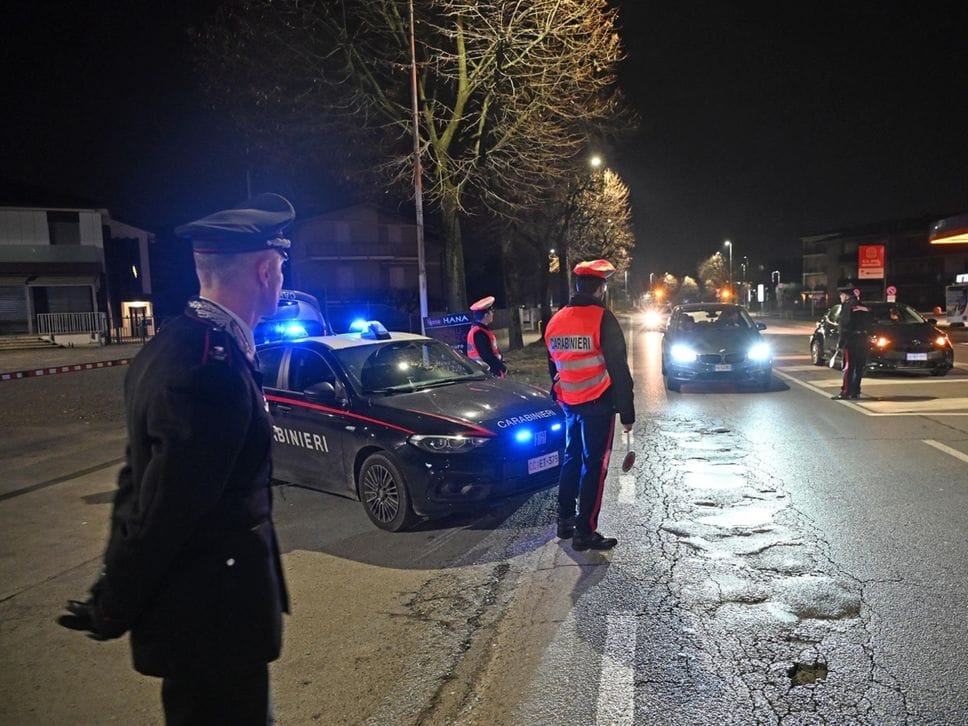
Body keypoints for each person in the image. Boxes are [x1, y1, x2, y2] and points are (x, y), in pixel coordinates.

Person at [57, 193, 292, 724]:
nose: (281, 280)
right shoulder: (210, 368)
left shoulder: (175, 343)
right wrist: (114, 602)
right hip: (214, 622)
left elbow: (135, 480)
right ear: (264, 271)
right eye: (280, 268)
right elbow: (167, 509)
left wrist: (112, 587)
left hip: (204, 619)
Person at [545, 259, 635, 551]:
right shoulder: (602, 318)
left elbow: (553, 365)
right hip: (597, 403)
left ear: (577, 287)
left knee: (571, 458)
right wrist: (627, 413)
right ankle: (585, 531)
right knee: (594, 466)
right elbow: (618, 369)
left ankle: (565, 521)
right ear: (601, 288)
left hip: (568, 403)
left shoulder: (556, 320)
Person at [832, 284, 873, 400]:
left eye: (841, 295)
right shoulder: (863, 306)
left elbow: (845, 325)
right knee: (859, 368)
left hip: (851, 341)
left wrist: (841, 342)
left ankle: (846, 392)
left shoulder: (848, 307)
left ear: (845, 295)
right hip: (863, 340)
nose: (840, 298)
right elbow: (871, 322)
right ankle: (856, 392)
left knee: (848, 367)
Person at [466, 295, 508, 377]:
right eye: (491, 312)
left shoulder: (480, 330)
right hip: (487, 371)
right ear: (486, 315)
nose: (492, 314)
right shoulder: (479, 333)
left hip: (485, 370)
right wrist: (501, 367)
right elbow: (487, 356)